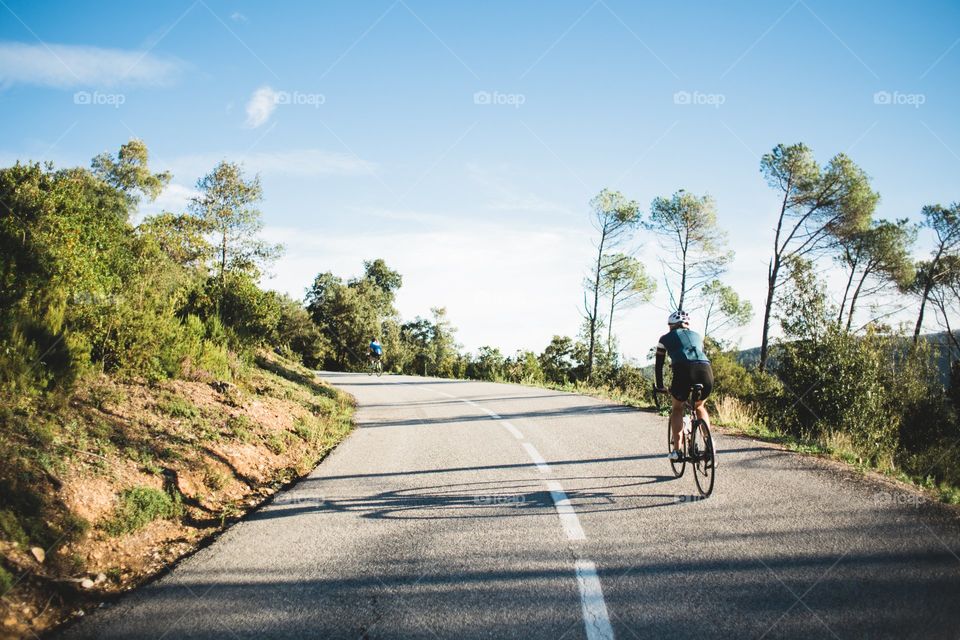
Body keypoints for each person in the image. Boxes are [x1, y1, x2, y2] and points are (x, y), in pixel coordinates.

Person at [654, 310, 714, 461]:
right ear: (687, 325)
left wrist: (660, 386)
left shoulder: (664, 338)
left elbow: (659, 365)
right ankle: (709, 443)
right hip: (706, 369)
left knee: (677, 408)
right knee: (699, 406)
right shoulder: (698, 337)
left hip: (683, 370)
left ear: (671, 326)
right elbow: (695, 355)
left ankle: (677, 451)